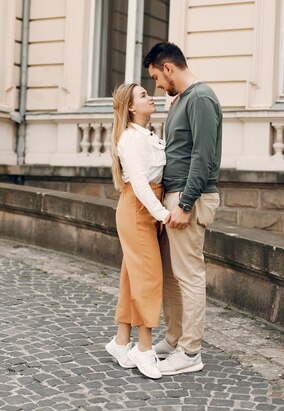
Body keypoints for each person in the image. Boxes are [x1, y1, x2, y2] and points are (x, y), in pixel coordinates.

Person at [143, 42, 223, 375]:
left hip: (188, 198)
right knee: (172, 275)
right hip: (172, 198)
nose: (156, 85)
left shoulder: (201, 98)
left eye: (156, 77)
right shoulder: (182, 100)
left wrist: (186, 203)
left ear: (169, 68)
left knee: (189, 276)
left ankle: (191, 352)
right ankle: (175, 339)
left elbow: (203, 157)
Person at [105, 82, 171, 379]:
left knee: (133, 276)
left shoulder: (146, 134)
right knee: (148, 276)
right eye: (143, 95)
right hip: (138, 208)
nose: (151, 97)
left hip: (142, 208)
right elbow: (141, 184)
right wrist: (163, 215)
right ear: (131, 107)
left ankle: (121, 342)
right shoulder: (131, 139)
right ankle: (144, 350)